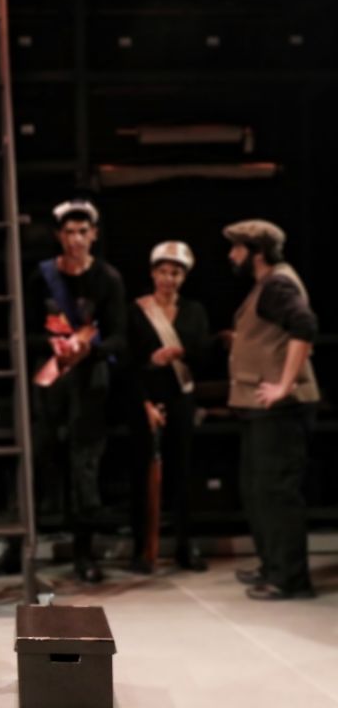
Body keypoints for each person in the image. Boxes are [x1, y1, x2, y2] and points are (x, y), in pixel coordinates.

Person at [0, 199, 126, 583]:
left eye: (83, 231)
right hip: (48, 384)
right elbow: (24, 331)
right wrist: (53, 345)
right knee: (34, 464)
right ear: (59, 236)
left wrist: (89, 349)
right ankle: (17, 551)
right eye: (69, 232)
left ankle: (84, 554)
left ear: (93, 234)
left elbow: (119, 337)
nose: (76, 239)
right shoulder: (42, 277)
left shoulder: (108, 279)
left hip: (90, 385)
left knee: (85, 469)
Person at [224, 219, 319, 600]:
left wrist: (285, 383)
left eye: (237, 248)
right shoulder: (267, 285)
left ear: (257, 252)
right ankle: (273, 565)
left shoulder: (277, 284)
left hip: (279, 409)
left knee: (276, 493)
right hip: (260, 407)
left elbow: (304, 325)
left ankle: (290, 579)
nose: (232, 255)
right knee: (257, 490)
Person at [126, 241, 209, 574]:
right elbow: (128, 362)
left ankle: (185, 546)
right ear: (152, 273)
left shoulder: (194, 311)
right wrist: (145, 397)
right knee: (142, 476)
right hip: (145, 400)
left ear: (183, 277)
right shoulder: (137, 310)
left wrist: (181, 352)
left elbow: (205, 353)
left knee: (182, 474)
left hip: (181, 398)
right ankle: (142, 549)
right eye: (163, 271)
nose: (168, 278)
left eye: (175, 273)